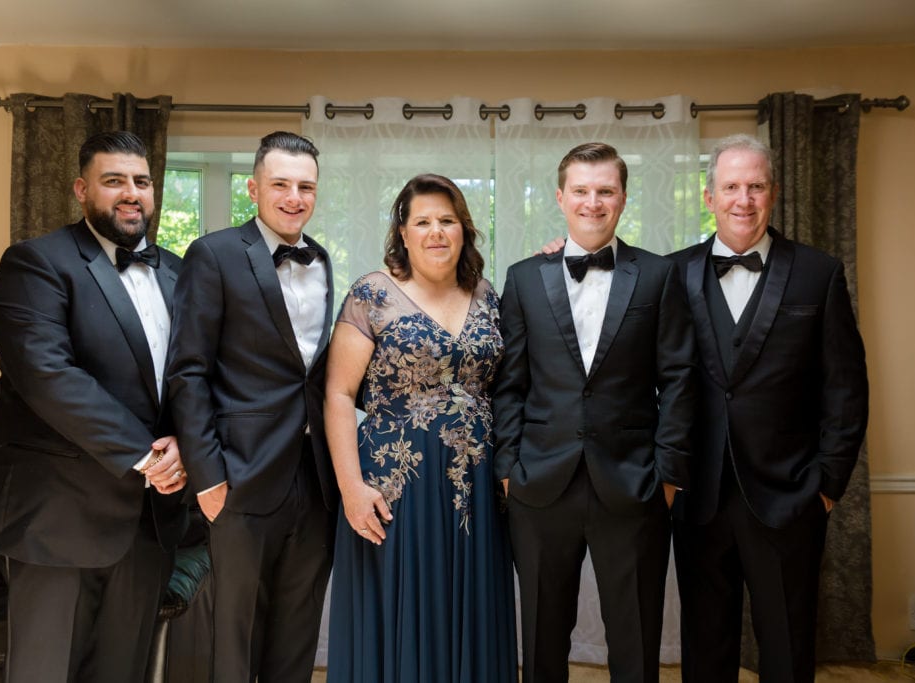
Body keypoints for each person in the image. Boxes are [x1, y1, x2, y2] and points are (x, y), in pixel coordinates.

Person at [0, 130, 188, 682]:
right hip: (57, 519)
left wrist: (188, 443)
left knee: (123, 671)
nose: (131, 193)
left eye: (141, 181)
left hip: (148, 524)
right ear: (81, 189)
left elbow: (194, 377)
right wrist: (148, 455)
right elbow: (47, 377)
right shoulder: (35, 263)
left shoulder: (180, 274)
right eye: (114, 181)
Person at [668, 134, 868, 682]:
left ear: (773, 193)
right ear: (708, 197)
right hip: (698, 496)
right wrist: (558, 251)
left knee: (787, 648)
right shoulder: (669, 274)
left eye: (756, 186)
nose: (744, 199)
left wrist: (827, 484)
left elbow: (846, 389)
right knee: (705, 650)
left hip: (789, 495)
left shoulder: (817, 273)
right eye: (731, 186)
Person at [494, 142, 695, 683]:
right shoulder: (523, 278)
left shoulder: (657, 276)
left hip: (634, 483)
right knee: (540, 641)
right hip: (540, 484)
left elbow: (678, 378)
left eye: (605, 191)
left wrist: (669, 474)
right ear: (561, 198)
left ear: (623, 198)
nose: (592, 202)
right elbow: (508, 383)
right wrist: (509, 467)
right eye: (580, 191)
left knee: (635, 640)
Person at [325, 174, 517, 682]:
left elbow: (509, 387)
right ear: (403, 233)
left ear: (464, 230)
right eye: (423, 221)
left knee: (472, 614)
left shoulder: (488, 295)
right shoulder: (372, 293)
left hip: (475, 492)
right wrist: (350, 488)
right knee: (399, 616)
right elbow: (339, 395)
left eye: (447, 221)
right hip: (393, 490)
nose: (436, 232)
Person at [166, 131, 338, 683]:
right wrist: (207, 477)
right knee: (233, 642)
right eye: (281, 184)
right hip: (238, 478)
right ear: (253, 187)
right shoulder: (213, 254)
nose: (294, 197)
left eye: (305, 186)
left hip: (313, 479)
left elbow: (311, 370)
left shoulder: (324, 260)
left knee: (297, 634)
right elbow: (188, 371)